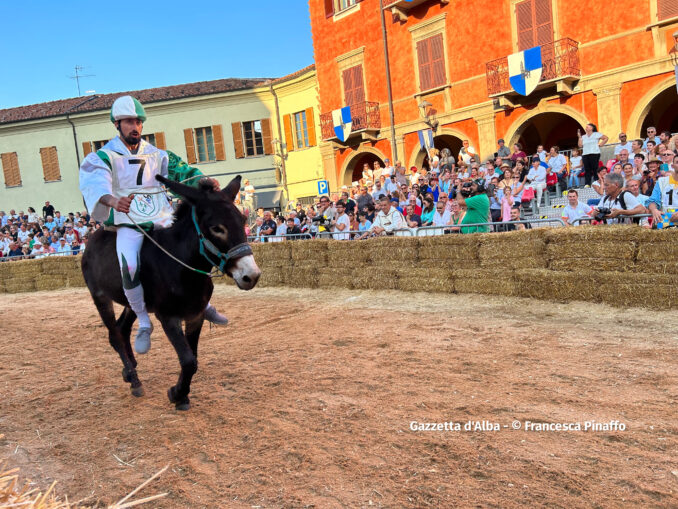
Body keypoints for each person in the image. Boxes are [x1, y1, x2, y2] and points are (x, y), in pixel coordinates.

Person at [78, 96, 229, 355]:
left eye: (138, 121)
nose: (134, 126)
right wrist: (113, 200)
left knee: (191, 255)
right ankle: (144, 321)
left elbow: (184, 173)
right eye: (128, 121)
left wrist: (205, 182)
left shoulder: (158, 155)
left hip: (160, 214)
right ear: (117, 124)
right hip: (128, 218)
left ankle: (203, 306)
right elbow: (95, 183)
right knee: (131, 265)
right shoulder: (103, 156)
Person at [648, 153, 678, 226]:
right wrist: (654, 210)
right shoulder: (662, 181)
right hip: (666, 222)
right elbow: (652, 201)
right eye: (677, 162)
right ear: (672, 166)